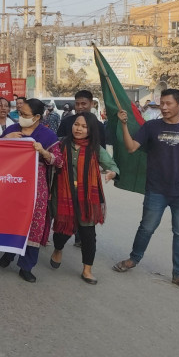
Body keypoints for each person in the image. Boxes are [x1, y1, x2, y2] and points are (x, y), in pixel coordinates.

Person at [112, 88, 179, 290]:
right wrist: (124, 125)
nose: (164, 107)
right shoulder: (151, 126)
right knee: (147, 227)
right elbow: (131, 147)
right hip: (156, 189)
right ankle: (133, 259)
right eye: (162, 103)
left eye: (169, 104)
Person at [0, 98, 64, 283]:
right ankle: (9, 253)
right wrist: (4, 139)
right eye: (20, 114)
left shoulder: (48, 135)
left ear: (37, 117)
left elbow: (59, 162)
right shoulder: (12, 130)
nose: (21, 118)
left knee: (34, 225)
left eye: (26, 115)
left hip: (37, 187)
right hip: (12, 184)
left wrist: (43, 152)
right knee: (13, 221)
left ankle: (26, 266)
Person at [50, 113, 118, 284]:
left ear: (91, 130)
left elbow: (111, 165)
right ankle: (58, 249)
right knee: (61, 231)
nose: (78, 129)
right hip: (63, 195)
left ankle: (87, 270)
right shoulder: (61, 144)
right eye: (76, 124)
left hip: (87, 198)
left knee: (88, 235)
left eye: (84, 126)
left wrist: (112, 172)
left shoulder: (95, 148)